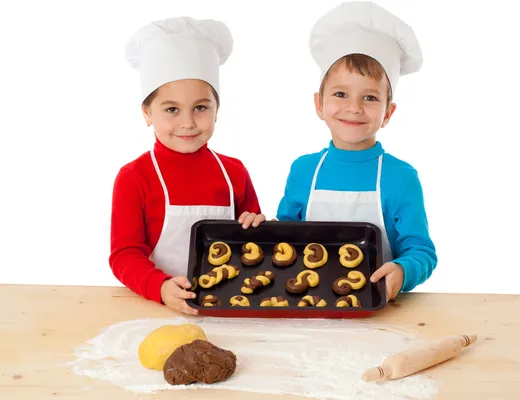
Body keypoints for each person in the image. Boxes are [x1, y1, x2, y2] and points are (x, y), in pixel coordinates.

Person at [276, 2, 437, 301]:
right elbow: (283, 241)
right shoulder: (303, 170)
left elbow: (421, 251)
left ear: (388, 113)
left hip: (376, 307)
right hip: (307, 304)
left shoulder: (401, 177)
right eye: (340, 94)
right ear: (319, 105)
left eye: (370, 97)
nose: (354, 107)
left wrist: (403, 271)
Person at [110, 16, 265, 316]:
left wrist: (256, 226)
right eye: (171, 109)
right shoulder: (134, 177)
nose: (188, 122)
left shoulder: (234, 172)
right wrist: (159, 286)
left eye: (200, 107)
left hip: (228, 305)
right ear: (147, 113)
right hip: (157, 306)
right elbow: (124, 254)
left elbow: (254, 243)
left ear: (217, 109)